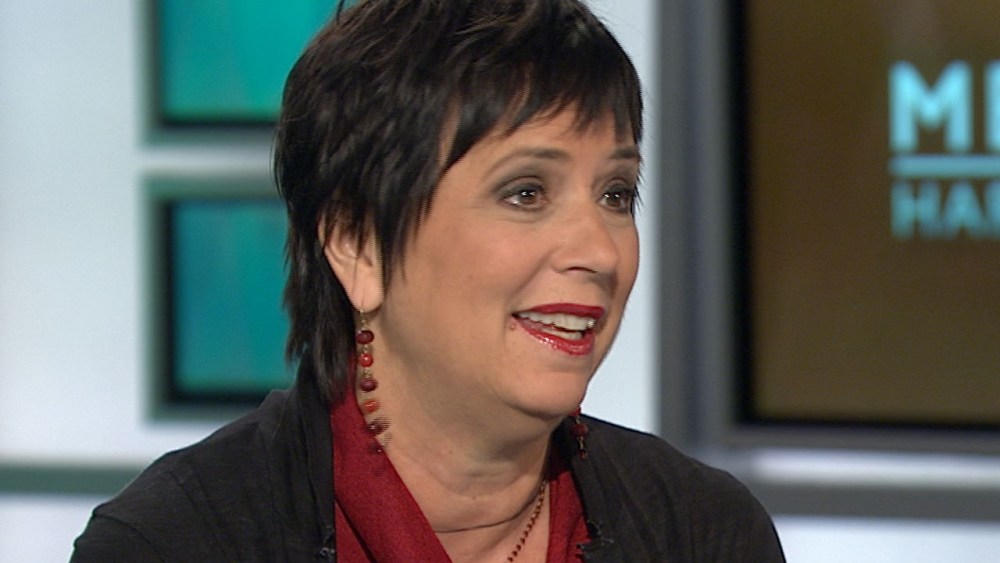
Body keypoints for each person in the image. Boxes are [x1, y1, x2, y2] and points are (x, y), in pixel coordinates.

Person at [72, 0, 784, 561]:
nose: (599, 250)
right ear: (357, 243)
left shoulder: (702, 530)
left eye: (616, 194)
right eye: (526, 192)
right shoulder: (177, 541)